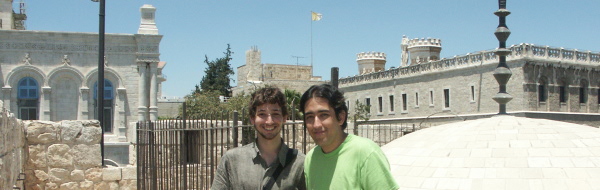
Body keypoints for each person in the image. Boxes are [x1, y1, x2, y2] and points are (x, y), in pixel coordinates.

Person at [299, 84, 398, 190]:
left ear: (341, 117)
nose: (316, 124)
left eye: (324, 115)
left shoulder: (365, 153)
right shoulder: (311, 158)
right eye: (310, 117)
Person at [211, 87, 306, 190]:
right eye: (262, 114)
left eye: (275, 114)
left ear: (284, 118)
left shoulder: (300, 163)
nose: (269, 121)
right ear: (252, 118)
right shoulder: (232, 160)